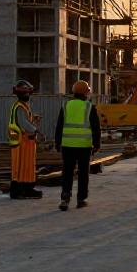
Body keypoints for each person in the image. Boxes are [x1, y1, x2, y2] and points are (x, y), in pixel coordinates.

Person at [55, 80, 101, 211]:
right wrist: (96, 144)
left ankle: (65, 198)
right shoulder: (89, 107)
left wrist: (58, 142)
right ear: (85, 94)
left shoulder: (66, 106)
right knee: (83, 173)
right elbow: (96, 128)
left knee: (67, 172)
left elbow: (59, 125)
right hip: (84, 145)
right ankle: (81, 199)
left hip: (67, 145)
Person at [8, 80, 43, 199]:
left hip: (22, 140)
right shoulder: (20, 107)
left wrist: (33, 119)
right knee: (22, 166)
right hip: (22, 140)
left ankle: (23, 188)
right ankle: (23, 189)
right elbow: (23, 123)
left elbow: (24, 120)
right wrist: (35, 130)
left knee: (22, 166)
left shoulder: (20, 106)